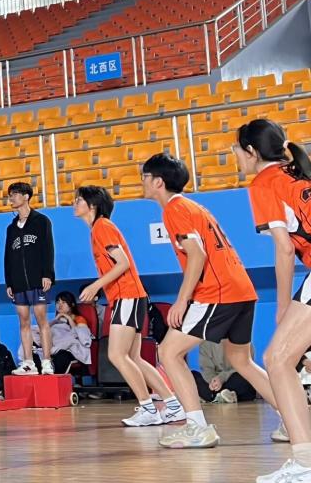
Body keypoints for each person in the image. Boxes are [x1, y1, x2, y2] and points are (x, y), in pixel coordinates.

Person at [141, 153, 280, 450]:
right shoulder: (194, 207)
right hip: (241, 289)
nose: (142, 182)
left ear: (158, 182)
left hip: (219, 292)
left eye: (145, 177)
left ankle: (197, 428)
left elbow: (197, 255)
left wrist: (182, 300)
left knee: (168, 352)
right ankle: (294, 418)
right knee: (241, 361)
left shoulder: (175, 209)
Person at [231, 120, 311, 483]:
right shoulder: (296, 173)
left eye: (237, 148)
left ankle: (305, 461)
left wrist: (282, 306)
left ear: (251, 151)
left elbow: (284, 249)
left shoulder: (264, 183)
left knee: (277, 358)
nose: (234, 155)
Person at [75, 185, 184, 427]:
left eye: (79, 200)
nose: (75, 203)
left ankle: (148, 408)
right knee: (135, 357)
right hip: (129, 297)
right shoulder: (98, 229)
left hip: (128, 296)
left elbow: (122, 263)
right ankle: (173, 405)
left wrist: (95, 286)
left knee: (117, 354)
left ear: (92, 205)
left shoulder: (102, 227)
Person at [3, 181, 55, 375]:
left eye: (15, 194)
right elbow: (8, 256)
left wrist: (47, 274)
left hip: (37, 279)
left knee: (41, 319)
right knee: (23, 321)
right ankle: (28, 363)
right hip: (18, 282)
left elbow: (48, 249)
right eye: (10, 195)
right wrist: (9, 282)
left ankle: (47, 362)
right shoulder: (11, 228)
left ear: (26, 196)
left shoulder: (41, 221)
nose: (11, 198)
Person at [26, 291, 93, 375]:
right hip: (52, 345)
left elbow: (80, 333)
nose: (60, 305)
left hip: (66, 348)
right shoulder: (57, 320)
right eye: (58, 302)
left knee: (61, 355)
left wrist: (69, 319)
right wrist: (55, 320)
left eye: (64, 302)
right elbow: (44, 330)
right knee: (33, 347)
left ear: (72, 304)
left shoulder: (79, 319)